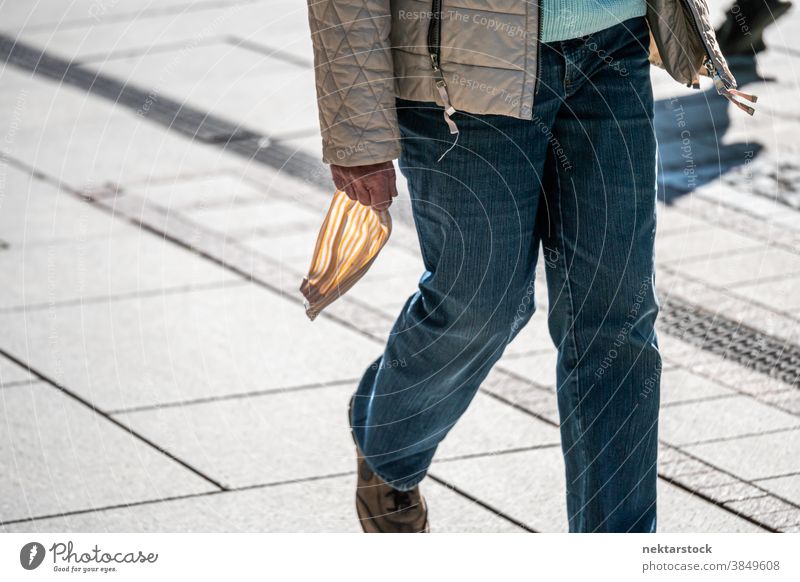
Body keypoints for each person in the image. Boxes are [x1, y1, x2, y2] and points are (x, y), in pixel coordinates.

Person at [305, 0, 754, 533]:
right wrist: (358, 132)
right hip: (464, 65)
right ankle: (387, 433)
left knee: (617, 320)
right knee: (481, 306)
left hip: (613, 44)